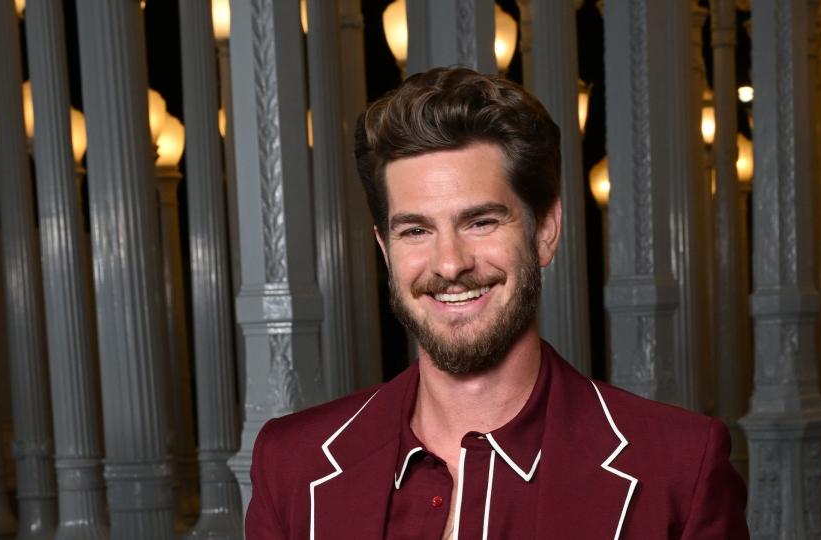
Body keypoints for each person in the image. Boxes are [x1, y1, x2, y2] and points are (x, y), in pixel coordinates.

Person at [245, 67, 749, 539]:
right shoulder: (291, 463)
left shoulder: (681, 468)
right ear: (385, 248)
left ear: (545, 232)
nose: (449, 264)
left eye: (481, 222)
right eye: (416, 230)